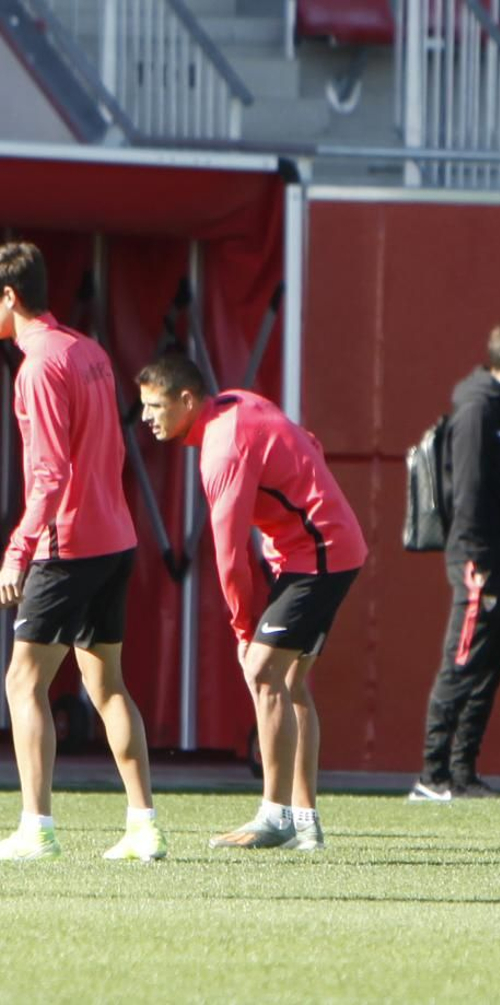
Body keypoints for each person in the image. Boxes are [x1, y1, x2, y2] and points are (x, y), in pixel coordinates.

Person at [136, 354, 367, 851]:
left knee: (262, 671)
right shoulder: (237, 402)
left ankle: (274, 817)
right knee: (290, 681)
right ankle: (305, 823)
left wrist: (243, 632)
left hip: (319, 556)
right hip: (325, 549)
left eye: (155, 406)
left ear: (186, 400)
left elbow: (228, 555)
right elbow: (308, 443)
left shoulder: (221, 449)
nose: (146, 418)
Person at [0, 241, 166, 862]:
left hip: (66, 546)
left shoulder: (39, 365)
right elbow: (112, 452)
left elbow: (49, 473)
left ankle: (37, 828)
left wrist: (18, 550)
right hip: (113, 540)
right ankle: (144, 826)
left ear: (10, 296)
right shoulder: (88, 350)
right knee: (106, 684)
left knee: (23, 680)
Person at [408, 322, 500, 803]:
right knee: (462, 660)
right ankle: (433, 775)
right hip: (479, 560)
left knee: (487, 667)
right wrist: (478, 556)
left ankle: (462, 773)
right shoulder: (477, 406)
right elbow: (467, 487)